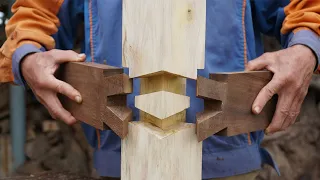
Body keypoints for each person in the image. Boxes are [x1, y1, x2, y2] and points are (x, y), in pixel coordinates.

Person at [1, 0, 320, 179]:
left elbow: (307, 8)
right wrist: (27, 55)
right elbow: (36, 14)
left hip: (231, 164)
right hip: (120, 164)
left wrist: (306, 49)